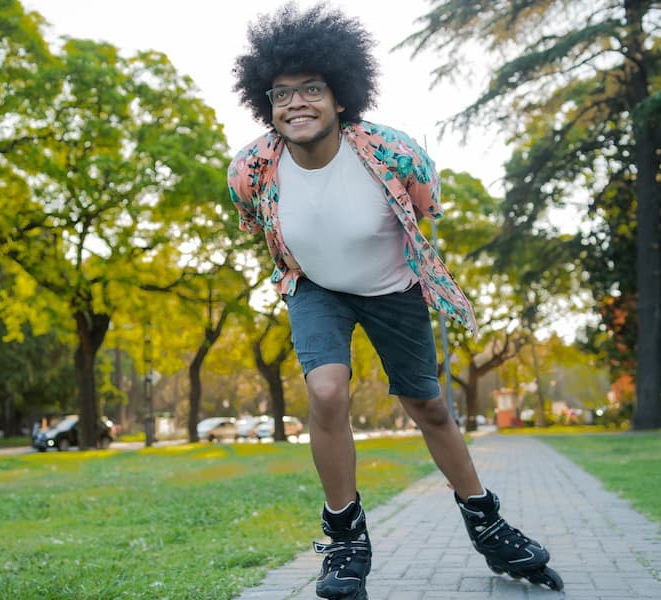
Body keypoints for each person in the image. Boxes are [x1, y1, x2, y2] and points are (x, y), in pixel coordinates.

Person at [228, 5, 560, 599]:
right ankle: (347, 541)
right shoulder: (252, 169)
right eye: (282, 95)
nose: (296, 103)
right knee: (326, 390)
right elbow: (262, 225)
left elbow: (425, 211)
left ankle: (488, 523)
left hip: (392, 288)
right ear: (266, 103)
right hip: (317, 289)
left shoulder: (392, 153)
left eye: (312, 90)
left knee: (428, 407)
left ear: (340, 98)